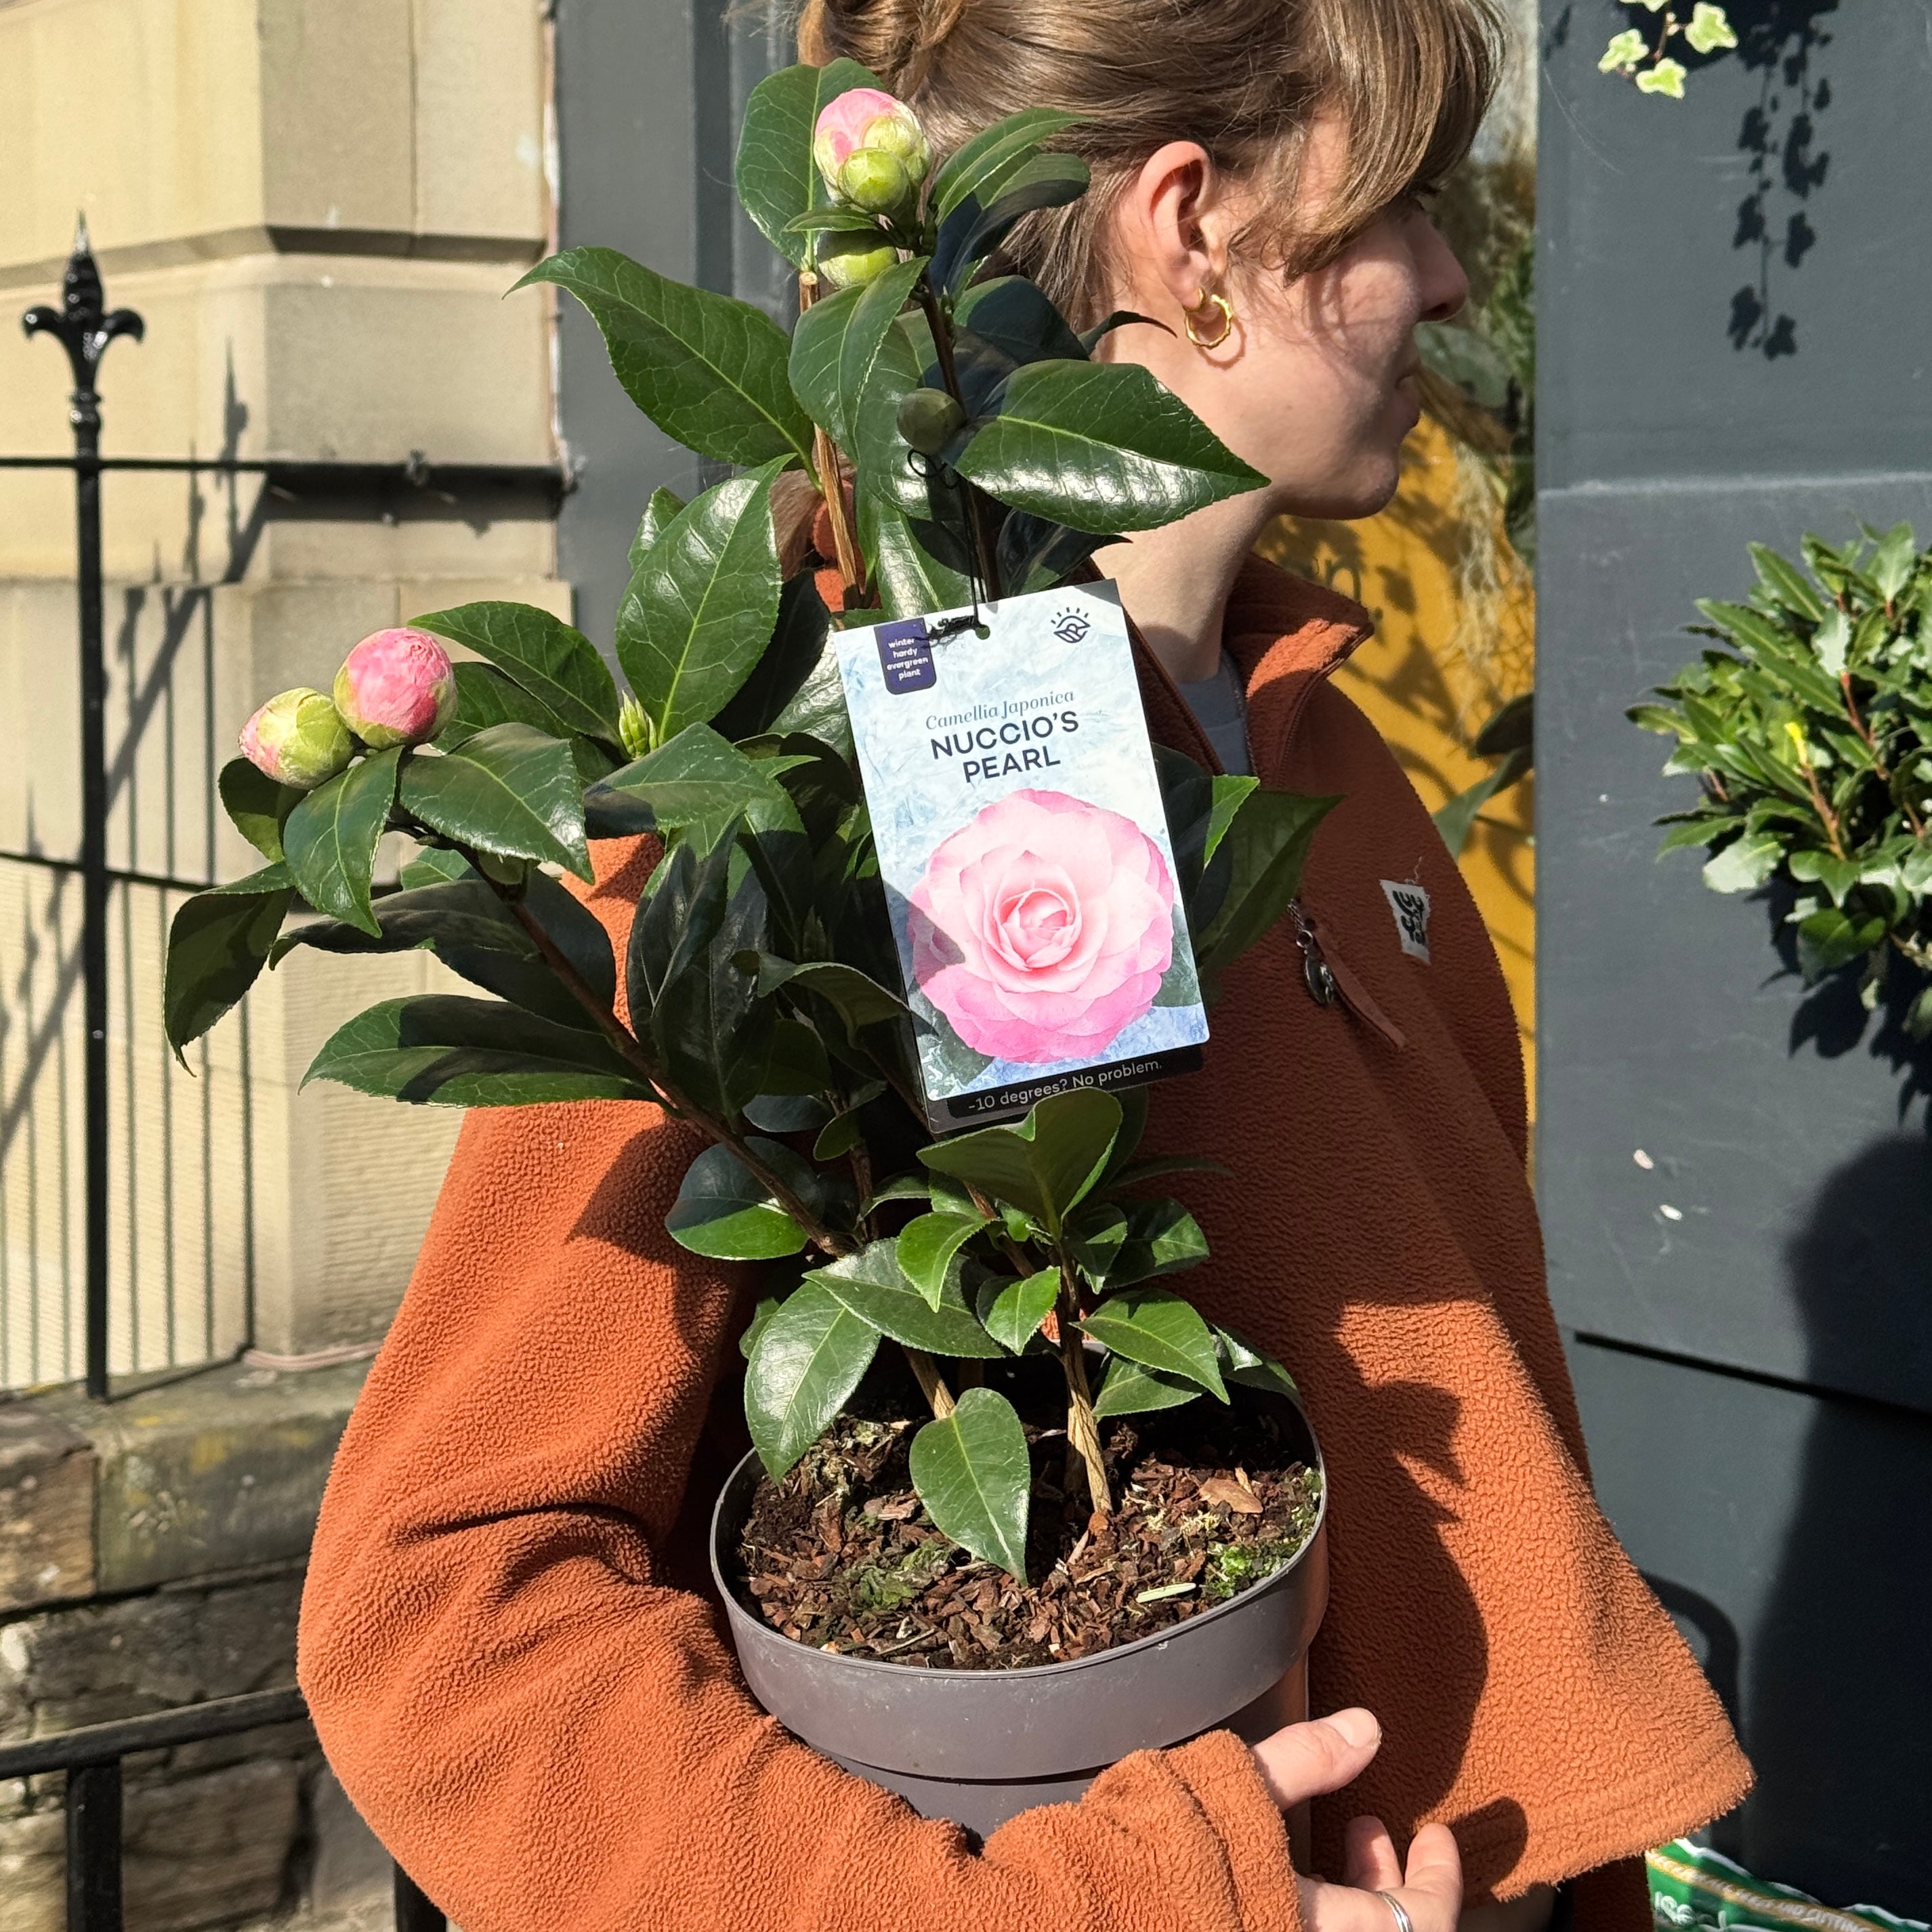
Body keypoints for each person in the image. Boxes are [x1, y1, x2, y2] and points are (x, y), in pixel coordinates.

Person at [297, 2, 1752, 1929]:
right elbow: (448, 1611)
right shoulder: (788, 795)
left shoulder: (1332, 755)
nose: (1454, 275)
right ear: (1194, 229)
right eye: (1404, 201)